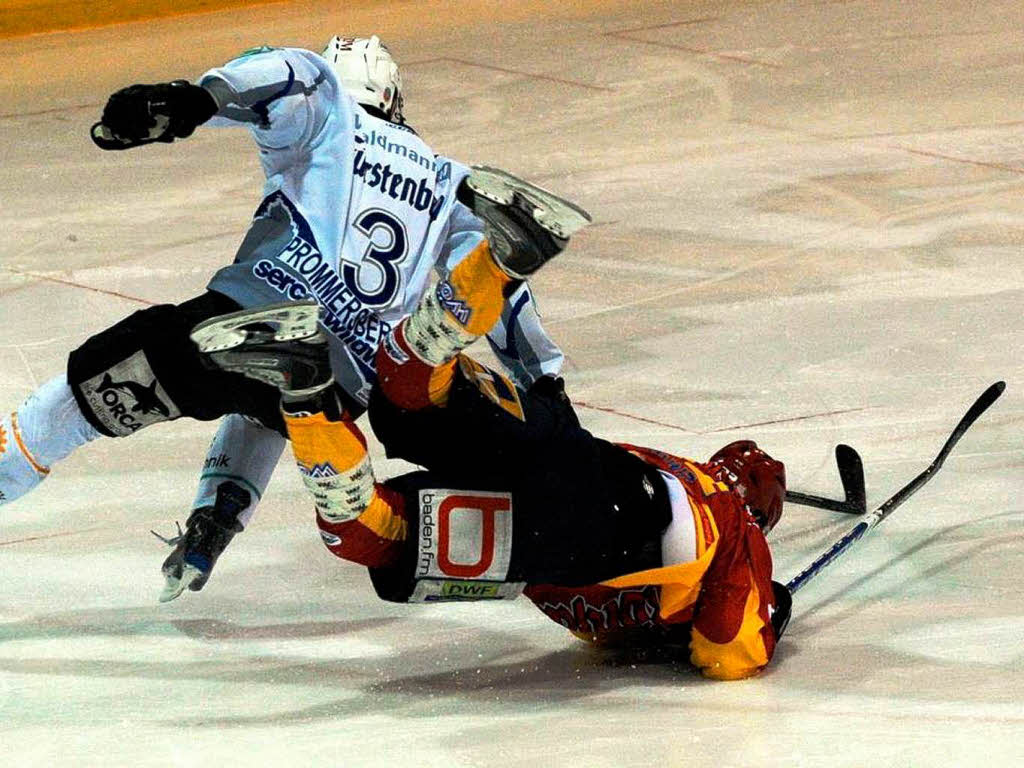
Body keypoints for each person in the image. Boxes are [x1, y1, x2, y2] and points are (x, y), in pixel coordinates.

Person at [0, 37, 564, 602]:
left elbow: (291, 75)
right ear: (393, 98)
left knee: (81, 403)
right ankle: (217, 518)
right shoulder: (452, 183)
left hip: (253, 310)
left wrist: (198, 98)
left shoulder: (330, 115)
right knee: (278, 385)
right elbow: (502, 291)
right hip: (343, 389)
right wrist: (545, 379)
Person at [194, 167, 791, 680]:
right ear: (758, 512)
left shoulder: (675, 471)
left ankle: (491, 266)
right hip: (570, 531)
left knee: (406, 392)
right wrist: (771, 615)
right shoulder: (734, 526)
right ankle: (306, 400)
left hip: (566, 477)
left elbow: (603, 627)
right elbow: (729, 659)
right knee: (368, 534)